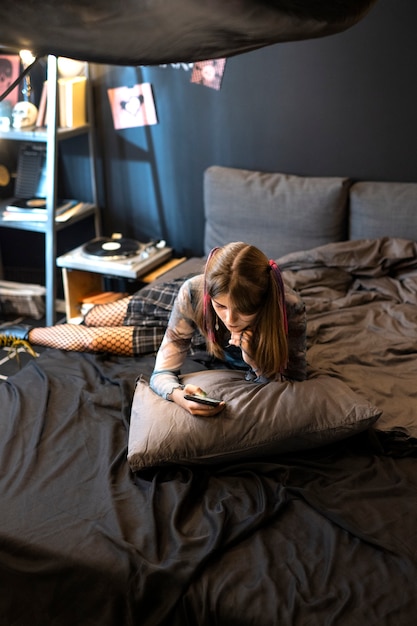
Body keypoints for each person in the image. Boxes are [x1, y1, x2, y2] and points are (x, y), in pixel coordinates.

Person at [2, 242, 306, 415]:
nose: (230, 319)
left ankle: (24, 335)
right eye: (221, 306)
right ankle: (21, 330)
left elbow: (287, 386)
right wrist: (175, 393)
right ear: (211, 296)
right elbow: (164, 371)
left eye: (243, 311)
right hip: (178, 306)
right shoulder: (194, 292)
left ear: (263, 302)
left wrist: (254, 359)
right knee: (97, 316)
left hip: (196, 339)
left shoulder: (288, 309)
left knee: (95, 341)